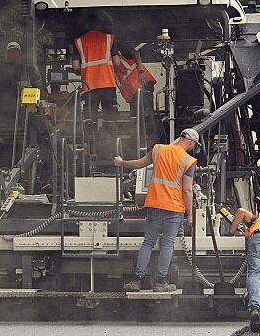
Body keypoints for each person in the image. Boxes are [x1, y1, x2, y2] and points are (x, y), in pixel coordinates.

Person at [113, 129, 199, 292]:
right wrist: (190, 214)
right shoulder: (189, 161)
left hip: (154, 204)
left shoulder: (159, 149)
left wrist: (121, 162)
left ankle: (136, 281)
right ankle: (160, 283)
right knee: (167, 244)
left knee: (148, 242)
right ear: (190, 142)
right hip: (174, 209)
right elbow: (187, 190)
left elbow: (138, 164)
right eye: (194, 144)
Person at [72, 15, 121, 113]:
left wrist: (82, 71)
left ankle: (91, 128)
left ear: (86, 25)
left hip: (89, 85)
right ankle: (110, 128)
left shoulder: (79, 42)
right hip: (107, 83)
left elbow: (75, 66)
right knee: (110, 117)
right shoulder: (108, 39)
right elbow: (117, 62)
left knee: (90, 118)